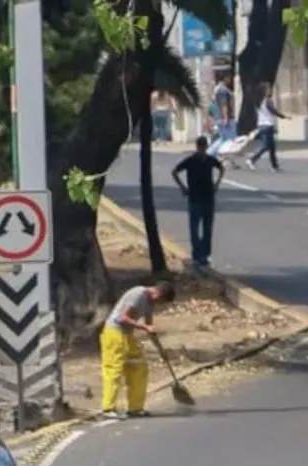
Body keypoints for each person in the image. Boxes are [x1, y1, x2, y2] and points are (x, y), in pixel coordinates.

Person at [99, 282, 173, 420]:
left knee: (139, 367)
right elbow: (123, 318)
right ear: (158, 293)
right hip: (114, 333)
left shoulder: (150, 303)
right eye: (161, 301)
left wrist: (161, 350)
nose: (159, 304)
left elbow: (150, 327)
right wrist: (144, 327)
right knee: (114, 370)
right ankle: (108, 408)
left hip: (127, 335)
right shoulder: (138, 294)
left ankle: (135, 408)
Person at [173, 136, 226, 268]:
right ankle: (197, 255)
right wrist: (183, 187)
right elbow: (175, 172)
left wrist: (217, 184)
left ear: (206, 147)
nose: (202, 149)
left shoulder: (210, 160)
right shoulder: (190, 161)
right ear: (197, 147)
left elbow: (222, 168)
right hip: (195, 198)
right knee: (195, 229)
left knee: (207, 229)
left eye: (204, 147)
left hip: (208, 197)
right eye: (201, 147)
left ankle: (204, 255)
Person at [248, 83, 284, 170]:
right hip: (267, 126)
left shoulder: (258, 101)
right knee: (266, 146)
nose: (270, 91)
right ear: (264, 91)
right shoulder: (267, 101)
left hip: (262, 125)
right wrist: (284, 116)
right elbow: (273, 111)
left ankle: (274, 165)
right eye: (268, 89)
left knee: (272, 146)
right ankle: (252, 159)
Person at [210, 75, 236, 142]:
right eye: (229, 78)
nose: (230, 80)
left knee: (224, 139)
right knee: (228, 141)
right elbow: (223, 104)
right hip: (226, 119)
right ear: (225, 78)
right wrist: (225, 118)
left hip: (220, 117)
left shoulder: (217, 89)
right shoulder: (222, 90)